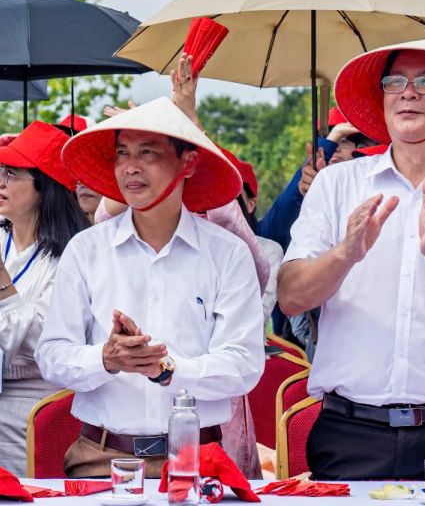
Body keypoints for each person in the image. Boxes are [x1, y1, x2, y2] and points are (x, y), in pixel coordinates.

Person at [276, 42, 425, 480]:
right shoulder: (337, 185)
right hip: (348, 431)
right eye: (394, 82)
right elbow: (291, 296)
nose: (407, 93)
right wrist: (344, 255)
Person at [37, 97, 264, 476]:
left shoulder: (228, 253)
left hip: (196, 459)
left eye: (148, 153)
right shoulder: (86, 249)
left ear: (188, 163)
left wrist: (169, 369)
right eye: (122, 154)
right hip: (101, 457)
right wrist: (105, 359)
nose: (130, 168)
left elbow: (244, 364)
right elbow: (51, 356)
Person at [0, 122, 89, 474]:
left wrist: (1, 282)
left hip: (33, 409)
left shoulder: (71, 257)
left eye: (12, 174)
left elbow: (40, 340)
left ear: (44, 187)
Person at [254, 107, 372, 249]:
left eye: (344, 140)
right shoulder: (306, 184)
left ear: (364, 145)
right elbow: (273, 230)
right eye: (328, 140)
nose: (336, 147)